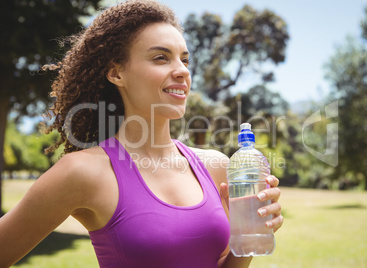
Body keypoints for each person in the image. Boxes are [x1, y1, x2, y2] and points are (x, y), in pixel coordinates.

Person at [0, 0, 283, 267]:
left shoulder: (216, 166)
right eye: (161, 58)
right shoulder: (83, 172)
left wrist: (246, 239)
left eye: (185, 60)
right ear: (117, 73)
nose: (182, 71)